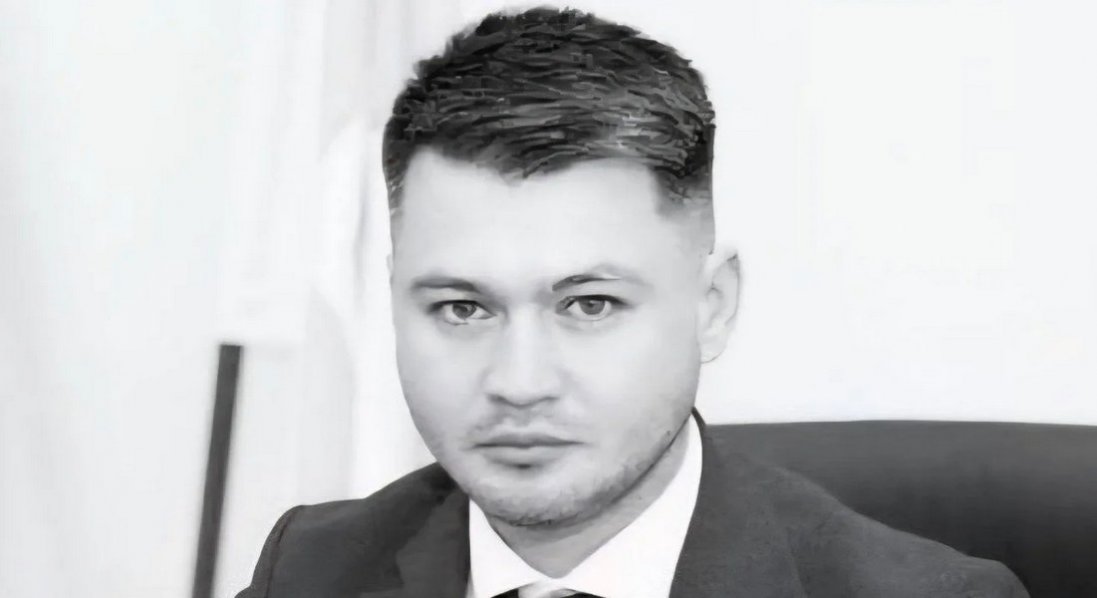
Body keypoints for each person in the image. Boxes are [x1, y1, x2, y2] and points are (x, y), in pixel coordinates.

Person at [237, 7, 1028, 598]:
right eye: (462, 309)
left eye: (589, 305)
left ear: (711, 306)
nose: (519, 382)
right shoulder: (309, 571)